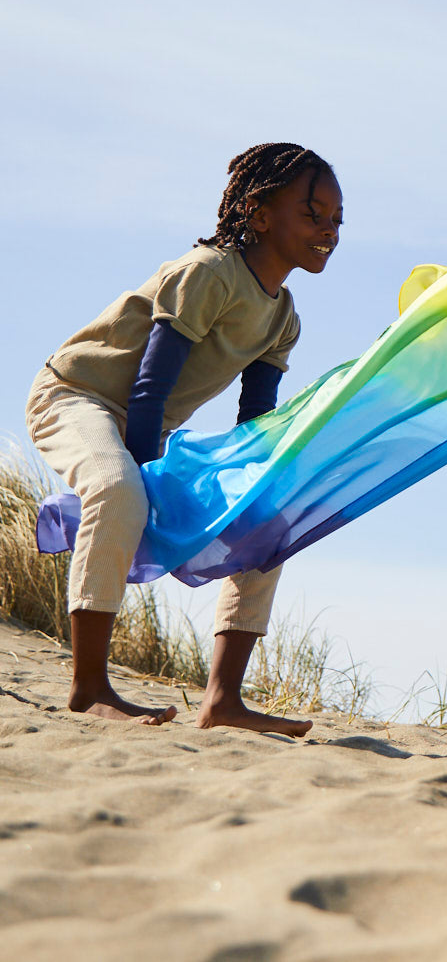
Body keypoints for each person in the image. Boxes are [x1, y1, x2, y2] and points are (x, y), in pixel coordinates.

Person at [25, 142, 343, 733]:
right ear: (260, 212)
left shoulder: (284, 317)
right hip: (76, 396)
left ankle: (223, 701)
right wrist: (147, 479)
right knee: (120, 490)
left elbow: (255, 420)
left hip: (148, 424)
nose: (327, 229)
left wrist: (253, 488)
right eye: (312, 213)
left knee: (265, 518)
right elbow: (150, 385)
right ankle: (87, 686)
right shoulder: (207, 273)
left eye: (334, 219)